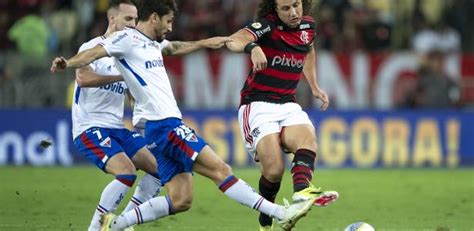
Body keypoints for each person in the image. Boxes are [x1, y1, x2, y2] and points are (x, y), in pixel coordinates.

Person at [50, 0, 320, 230]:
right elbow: (95, 52)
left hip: (155, 129)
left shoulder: (153, 43)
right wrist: (68, 63)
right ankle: (279, 214)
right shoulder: (126, 39)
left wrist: (210, 42)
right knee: (220, 170)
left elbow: (177, 46)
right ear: (154, 17)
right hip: (165, 125)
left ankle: (115, 224)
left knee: (182, 199)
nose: (169, 27)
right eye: (167, 21)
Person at [225, 0, 339, 230]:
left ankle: (301, 193)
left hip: (287, 103)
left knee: (307, 138)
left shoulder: (308, 27)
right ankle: (265, 221)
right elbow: (233, 41)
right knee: (274, 170)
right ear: (275, 10)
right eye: (286, 8)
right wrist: (253, 47)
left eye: (296, 4)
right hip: (256, 105)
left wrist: (314, 86)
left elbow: (309, 49)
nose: (294, 12)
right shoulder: (267, 26)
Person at [69, 1, 161, 230]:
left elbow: (133, 95)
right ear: (112, 19)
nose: (133, 25)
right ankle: (95, 228)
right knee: (127, 172)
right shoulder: (91, 46)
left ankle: (123, 223)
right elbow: (83, 79)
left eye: (135, 20)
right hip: (89, 128)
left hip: (116, 127)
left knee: (161, 170)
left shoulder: (126, 53)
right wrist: (121, 77)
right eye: (128, 19)